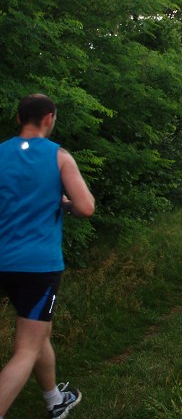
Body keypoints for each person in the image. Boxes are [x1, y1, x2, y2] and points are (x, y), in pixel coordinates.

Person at [0, 94, 95, 419]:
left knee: (38, 333)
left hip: (3, 259)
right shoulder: (59, 157)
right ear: (49, 119)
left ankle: (55, 400)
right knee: (27, 348)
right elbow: (85, 207)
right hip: (38, 266)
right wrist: (64, 203)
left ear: (18, 119)